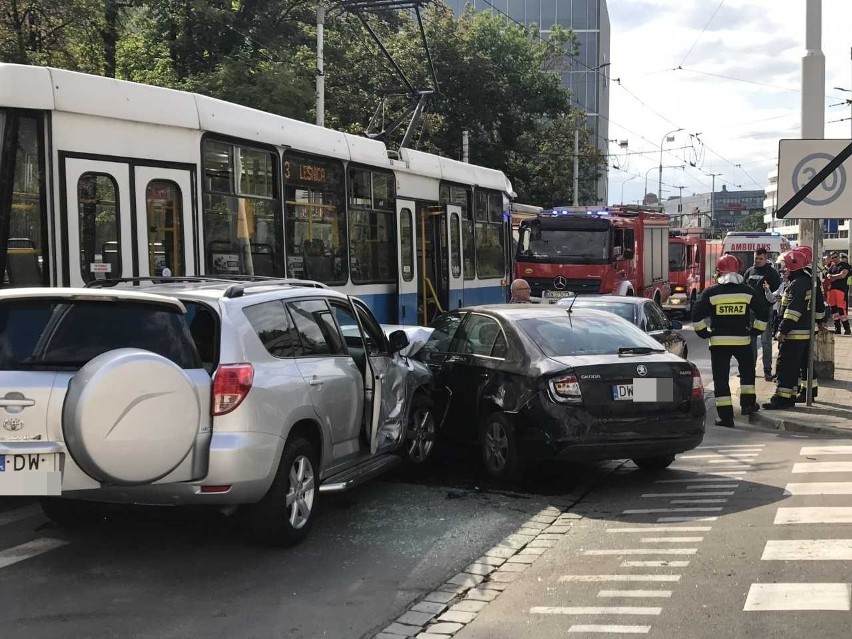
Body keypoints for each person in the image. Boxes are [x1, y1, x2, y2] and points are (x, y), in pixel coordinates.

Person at [693, 254, 770, 428]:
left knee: (721, 380)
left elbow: (696, 313)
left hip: (719, 343)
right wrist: (756, 330)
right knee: (748, 375)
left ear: (719, 272)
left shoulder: (711, 292)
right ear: (738, 270)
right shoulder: (747, 291)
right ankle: (748, 405)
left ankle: (726, 418)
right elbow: (763, 311)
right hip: (742, 342)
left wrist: (703, 333)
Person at [763, 247, 826, 409]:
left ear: (793, 265)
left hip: (794, 333)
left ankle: (782, 399)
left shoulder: (797, 284)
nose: (783, 270)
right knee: (802, 364)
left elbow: (793, 311)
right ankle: (804, 392)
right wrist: (819, 322)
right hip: (805, 331)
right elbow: (818, 305)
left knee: (786, 365)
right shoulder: (808, 280)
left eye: (785, 266)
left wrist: (783, 330)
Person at [743, 248, 782, 380]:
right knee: (750, 341)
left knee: (766, 342)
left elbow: (778, 292)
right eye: (756, 258)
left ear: (766, 259)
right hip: (750, 311)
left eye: (760, 259)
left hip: (765, 311)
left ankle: (767, 370)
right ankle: (750, 369)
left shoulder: (772, 273)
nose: (757, 261)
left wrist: (768, 290)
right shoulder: (749, 271)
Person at [824, 251, 851, 335]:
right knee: (834, 310)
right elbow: (830, 278)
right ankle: (837, 328)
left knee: (841, 310)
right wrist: (833, 277)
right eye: (832, 258)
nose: (834, 259)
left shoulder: (844, 265)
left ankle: (847, 329)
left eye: (835, 257)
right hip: (832, 290)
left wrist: (833, 277)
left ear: (838, 257)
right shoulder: (832, 268)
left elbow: (842, 275)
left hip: (841, 290)